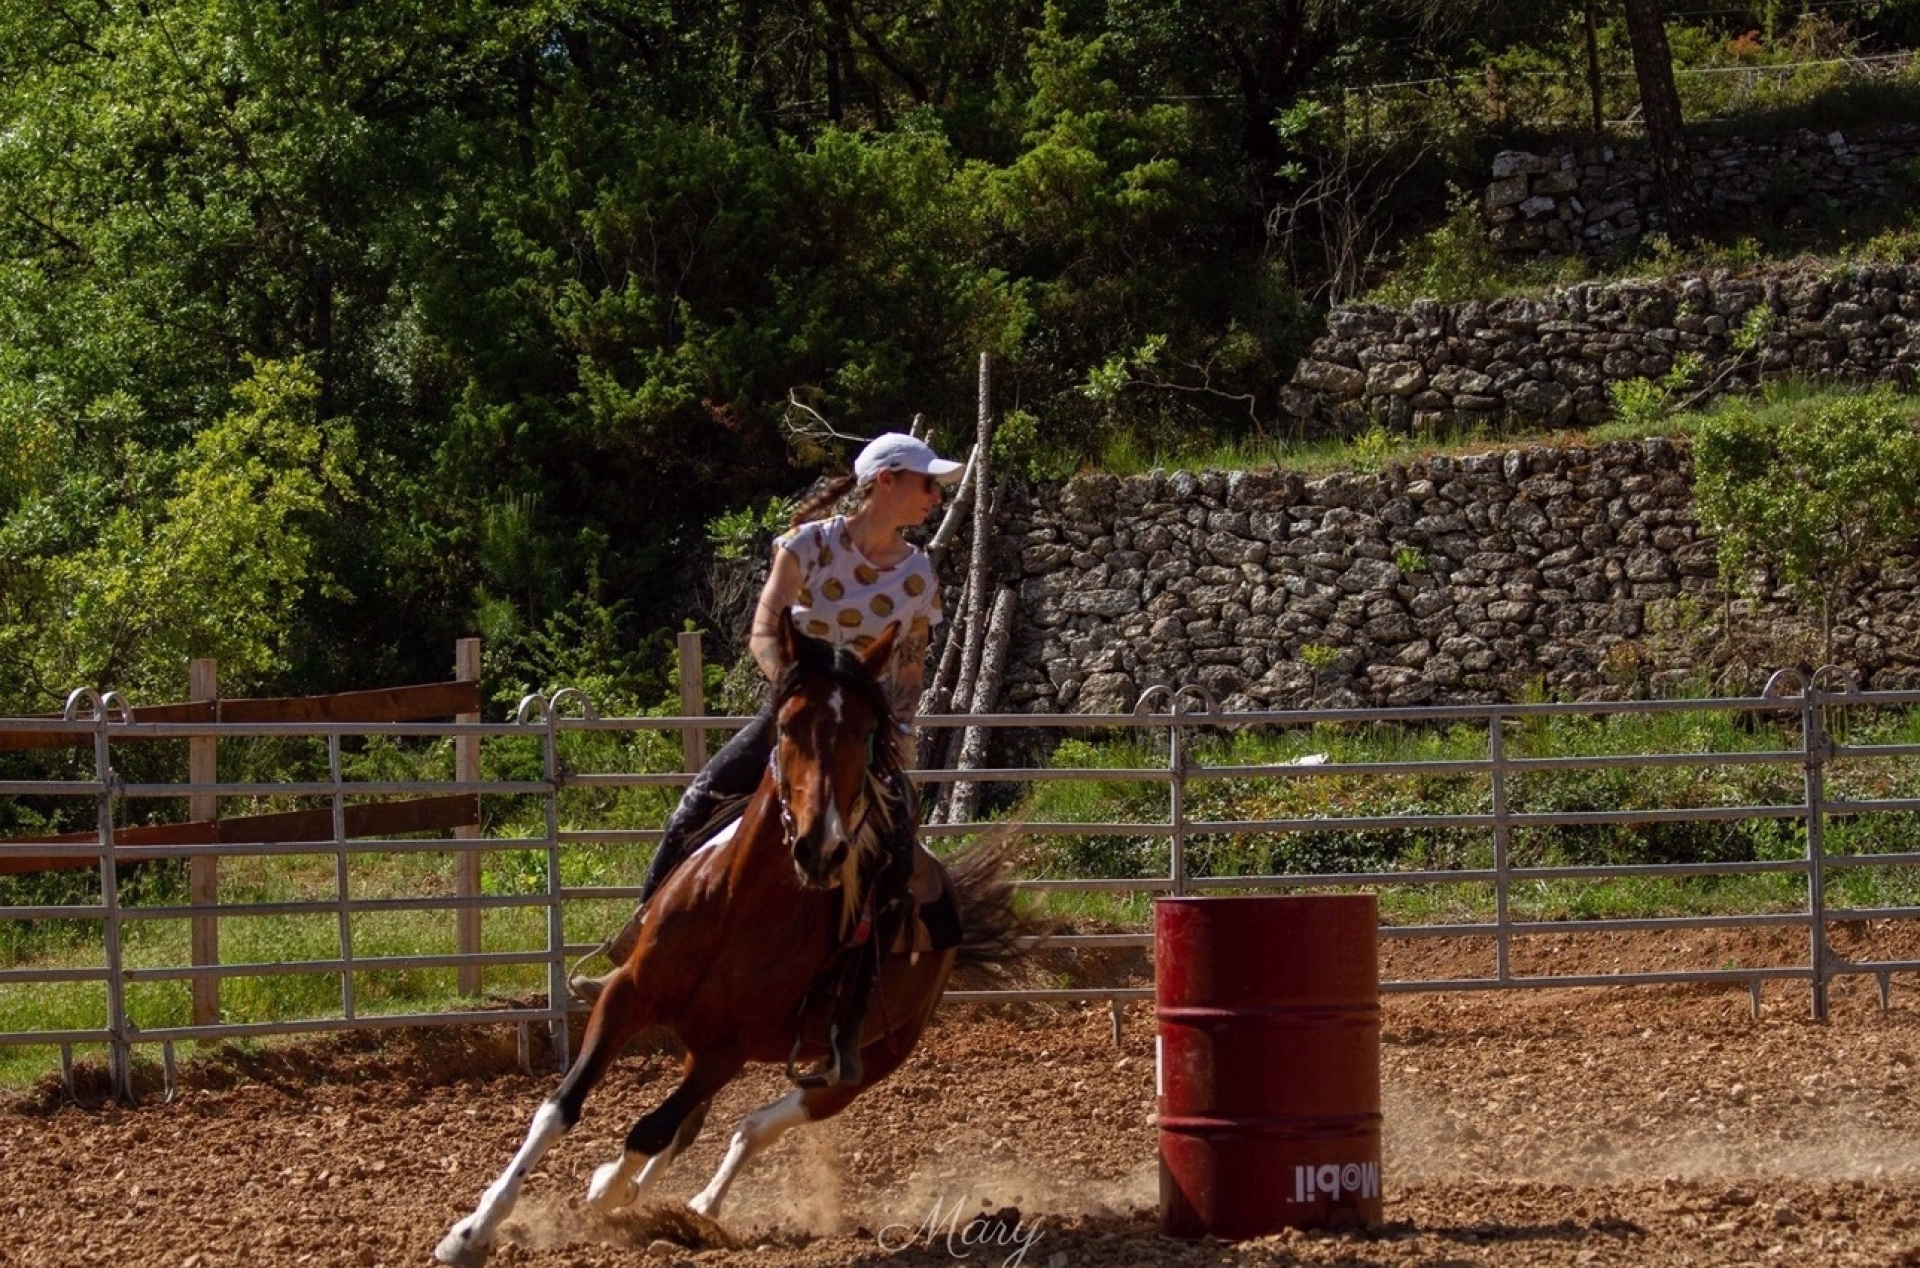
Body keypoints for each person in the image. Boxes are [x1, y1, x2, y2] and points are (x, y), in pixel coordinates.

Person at [569, 430, 963, 1086]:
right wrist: (792, 696)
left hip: (863, 731)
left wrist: (899, 730)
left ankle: (851, 1009)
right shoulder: (806, 546)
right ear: (887, 482)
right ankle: (635, 942)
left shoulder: (919, 573)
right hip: (798, 714)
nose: (935, 496)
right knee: (698, 801)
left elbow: (912, 666)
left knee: (896, 852)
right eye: (927, 483)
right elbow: (763, 627)